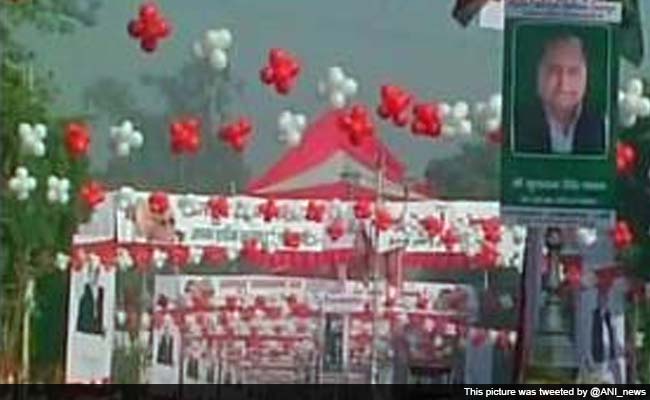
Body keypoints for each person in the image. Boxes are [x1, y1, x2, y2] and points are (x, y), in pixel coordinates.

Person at [515, 34, 605, 155]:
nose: (564, 85)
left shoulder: (605, 124)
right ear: (538, 74)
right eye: (554, 70)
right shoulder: (513, 124)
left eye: (573, 71)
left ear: (587, 75)